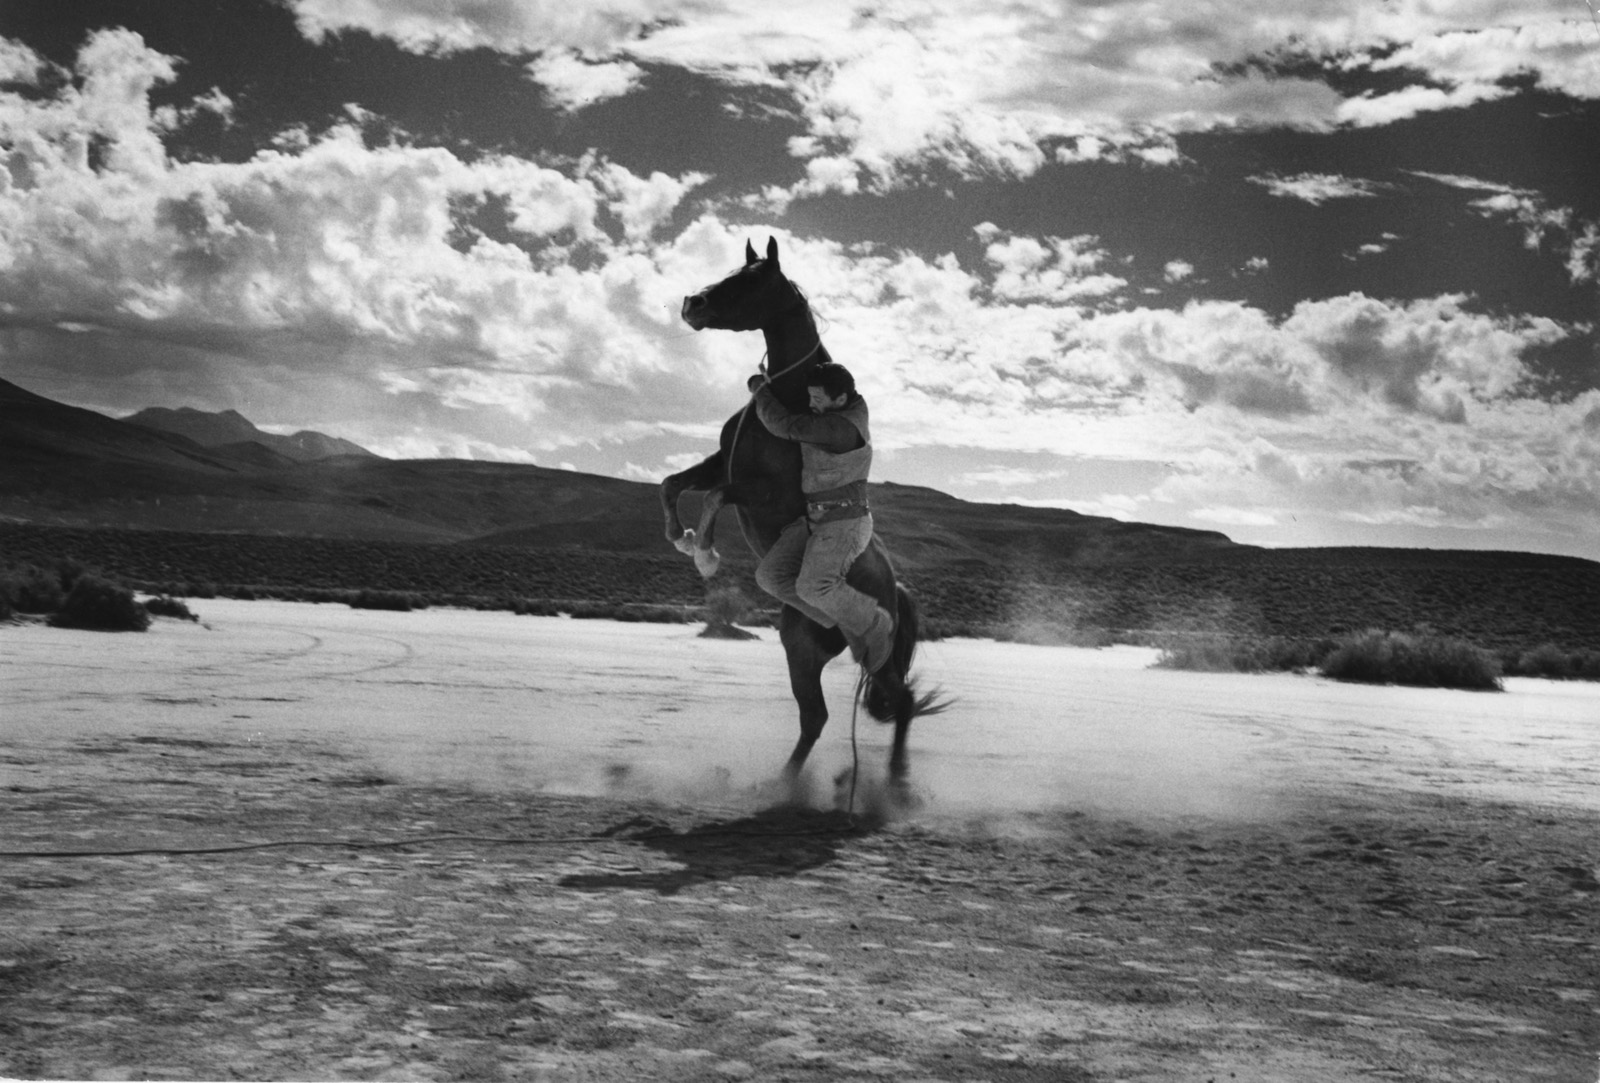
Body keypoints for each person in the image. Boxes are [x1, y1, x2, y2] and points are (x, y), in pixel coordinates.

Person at [746, 362, 895, 672]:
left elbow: (783, 425)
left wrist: (759, 389)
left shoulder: (839, 429)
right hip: (817, 520)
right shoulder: (835, 408)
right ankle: (846, 622)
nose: (811, 404)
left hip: (845, 521)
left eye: (817, 399)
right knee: (770, 577)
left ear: (840, 400)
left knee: (814, 587)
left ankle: (874, 623)